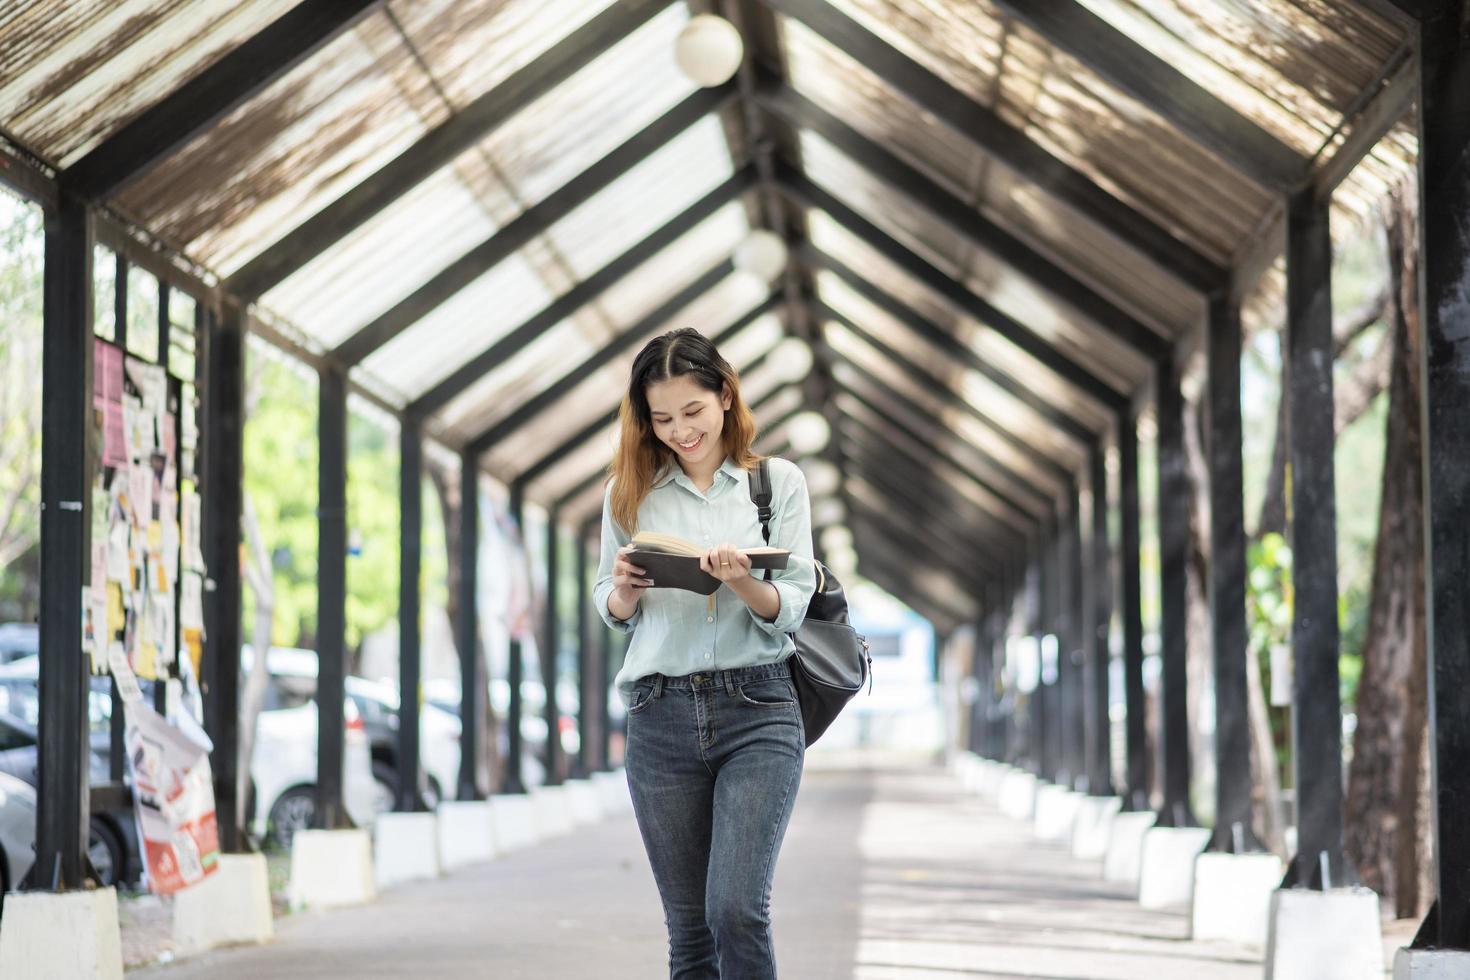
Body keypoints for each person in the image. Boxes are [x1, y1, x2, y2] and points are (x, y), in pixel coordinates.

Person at [594, 327, 817, 979]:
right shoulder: (628, 494)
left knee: (736, 909)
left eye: (691, 411)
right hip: (659, 714)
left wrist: (741, 578)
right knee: (689, 932)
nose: (680, 430)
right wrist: (627, 593)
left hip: (759, 707)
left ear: (725, 395)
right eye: (662, 419)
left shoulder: (775, 486)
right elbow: (608, 597)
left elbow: (793, 603)